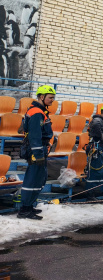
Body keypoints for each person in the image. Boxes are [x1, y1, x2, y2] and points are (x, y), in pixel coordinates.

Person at [17, 85, 55, 219]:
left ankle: (29, 206)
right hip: (35, 151)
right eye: (50, 98)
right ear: (41, 97)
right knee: (32, 179)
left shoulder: (40, 111)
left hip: (40, 149)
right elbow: (34, 136)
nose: (52, 100)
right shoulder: (37, 112)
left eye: (53, 98)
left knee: (38, 179)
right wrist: (38, 154)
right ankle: (24, 209)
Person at [85, 104, 103, 198]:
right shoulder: (97, 121)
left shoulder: (102, 121)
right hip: (96, 149)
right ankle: (90, 194)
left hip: (100, 149)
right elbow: (97, 131)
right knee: (95, 172)